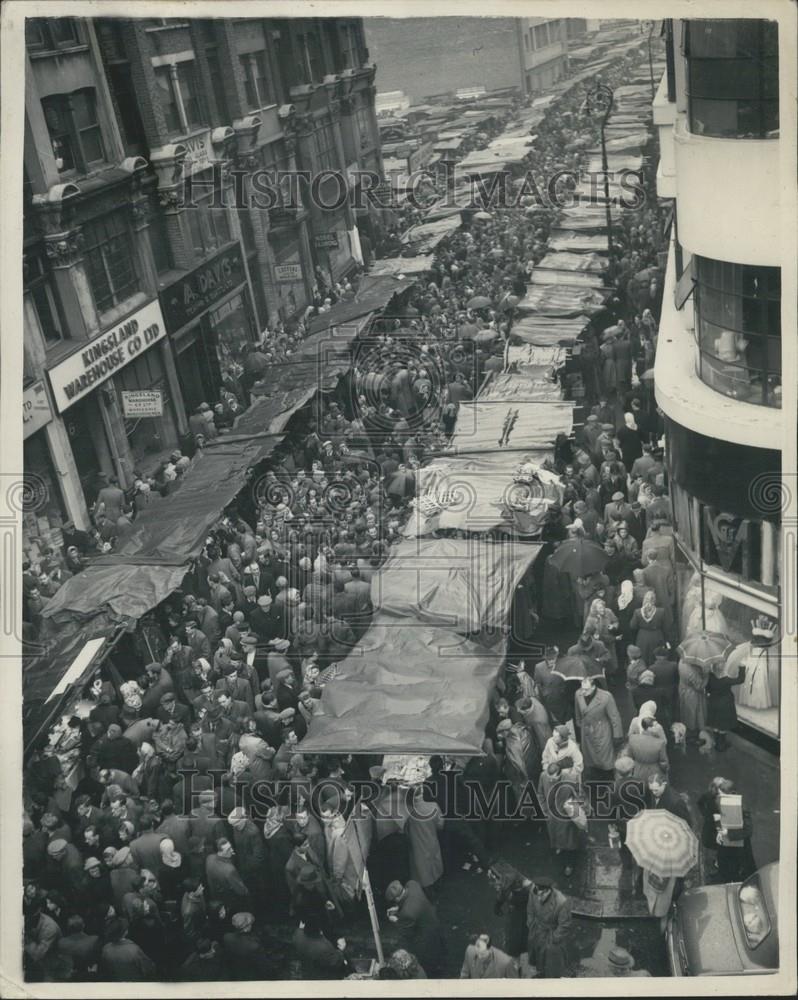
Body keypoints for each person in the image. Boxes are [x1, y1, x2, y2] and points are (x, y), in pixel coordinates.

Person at [697, 777, 756, 883]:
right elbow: (718, 818)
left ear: (732, 794)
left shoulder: (743, 807)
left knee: (739, 875)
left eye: (722, 796)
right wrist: (719, 832)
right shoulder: (721, 801)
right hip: (725, 846)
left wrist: (728, 832)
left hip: (739, 849)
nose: (720, 799)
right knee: (725, 872)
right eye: (719, 795)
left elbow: (748, 831)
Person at [385, 879, 445, 977]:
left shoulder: (407, 914)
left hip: (425, 937)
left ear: (396, 899)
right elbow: (410, 901)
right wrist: (399, 908)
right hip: (433, 921)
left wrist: (395, 920)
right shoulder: (412, 884)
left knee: (429, 959)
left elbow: (407, 933)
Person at [573, 676, 623, 781]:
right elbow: (578, 712)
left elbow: (615, 717)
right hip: (586, 732)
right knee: (590, 760)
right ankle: (594, 778)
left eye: (586, 689)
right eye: (582, 688)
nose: (584, 692)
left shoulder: (606, 697)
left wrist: (617, 736)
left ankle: (608, 779)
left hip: (602, 731)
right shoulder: (578, 693)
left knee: (605, 759)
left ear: (594, 687)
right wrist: (579, 725)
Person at [525, 876, 572, 978]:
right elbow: (530, 911)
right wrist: (531, 925)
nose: (538, 898)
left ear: (548, 891)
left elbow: (564, 925)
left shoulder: (562, 902)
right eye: (537, 894)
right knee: (537, 957)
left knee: (552, 963)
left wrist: (553, 939)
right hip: (537, 931)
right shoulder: (534, 892)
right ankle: (541, 972)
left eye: (541, 895)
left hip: (552, 933)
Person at [706, 661, 746, 751]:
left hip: (713, 702)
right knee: (723, 725)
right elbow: (740, 680)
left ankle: (716, 742)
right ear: (722, 668)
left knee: (715, 723)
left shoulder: (710, 676)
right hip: (725, 704)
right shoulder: (726, 680)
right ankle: (721, 745)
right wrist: (742, 668)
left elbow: (707, 689)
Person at [629, 590, 669, 665]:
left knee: (643, 658)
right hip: (657, 636)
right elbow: (665, 628)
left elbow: (632, 626)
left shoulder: (637, 612)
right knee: (655, 658)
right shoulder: (661, 612)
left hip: (642, 638)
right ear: (654, 600)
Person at [677, 657, 708, 743]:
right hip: (692, 694)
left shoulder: (682, 660)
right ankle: (692, 737)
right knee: (693, 716)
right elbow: (699, 686)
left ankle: (690, 734)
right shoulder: (690, 671)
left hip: (684, 690)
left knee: (686, 714)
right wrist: (706, 675)